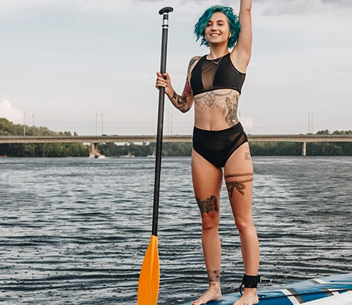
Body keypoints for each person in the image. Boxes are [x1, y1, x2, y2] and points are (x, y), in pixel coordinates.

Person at [155, 1, 260, 304]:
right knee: (208, 222)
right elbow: (185, 105)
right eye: (210, 23)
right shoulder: (194, 63)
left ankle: (250, 290)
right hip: (202, 147)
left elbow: (247, 12)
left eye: (221, 24)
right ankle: (214, 287)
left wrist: (244, 5)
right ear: (204, 29)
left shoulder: (239, 55)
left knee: (243, 221)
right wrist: (169, 89)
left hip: (233, 145)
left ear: (231, 31)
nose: (214, 27)